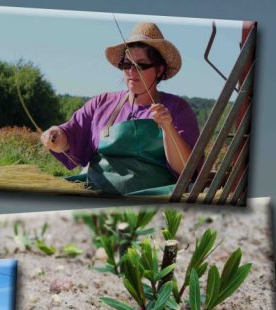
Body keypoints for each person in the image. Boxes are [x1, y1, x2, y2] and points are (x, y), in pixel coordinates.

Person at [41, 22, 200, 196]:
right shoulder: (102, 102)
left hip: (152, 199)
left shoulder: (177, 109)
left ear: (159, 69)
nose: (132, 71)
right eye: (126, 64)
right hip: (95, 192)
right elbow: (70, 134)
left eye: (141, 64)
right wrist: (55, 135)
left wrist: (168, 128)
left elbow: (187, 169)